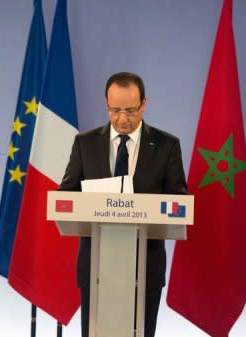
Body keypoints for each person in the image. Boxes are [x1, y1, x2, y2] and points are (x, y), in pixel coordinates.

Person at [58, 72, 187, 337]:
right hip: (96, 266)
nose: (122, 119)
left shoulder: (167, 146)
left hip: (146, 267)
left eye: (130, 110)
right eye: (115, 110)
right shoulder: (85, 143)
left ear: (144, 105)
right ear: (106, 105)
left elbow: (179, 203)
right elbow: (66, 195)